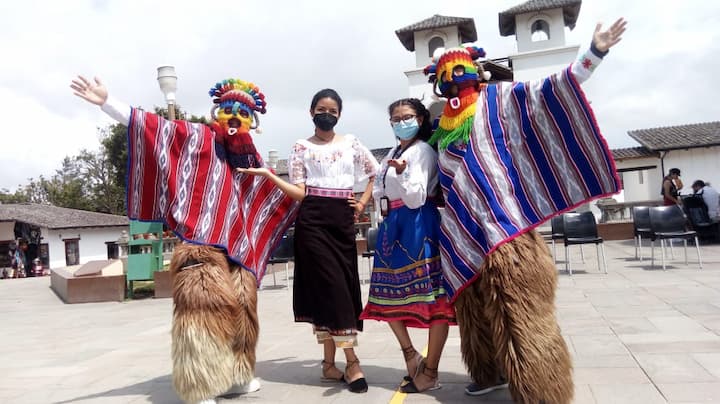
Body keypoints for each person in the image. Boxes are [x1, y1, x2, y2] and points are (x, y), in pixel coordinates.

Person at [423, 19, 626, 404]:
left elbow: (550, 92)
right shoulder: (441, 127)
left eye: (461, 70)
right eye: (447, 75)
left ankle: (542, 393)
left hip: (506, 231)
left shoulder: (499, 100)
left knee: (520, 314)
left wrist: (594, 53)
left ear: (476, 70)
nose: (455, 80)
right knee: (473, 312)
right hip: (463, 231)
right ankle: (487, 372)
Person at [71, 75, 298, 404]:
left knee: (244, 310)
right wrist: (108, 102)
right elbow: (152, 127)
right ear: (214, 113)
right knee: (200, 307)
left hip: (238, 249)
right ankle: (200, 384)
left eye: (243, 112)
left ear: (253, 122)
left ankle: (238, 374)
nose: (235, 116)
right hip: (200, 239)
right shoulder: (197, 136)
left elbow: (268, 202)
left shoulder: (252, 160)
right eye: (228, 108)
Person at [239, 89, 379, 393]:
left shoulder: (351, 143)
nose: (325, 113)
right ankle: (352, 363)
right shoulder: (301, 147)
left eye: (331, 109)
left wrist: (363, 202)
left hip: (342, 220)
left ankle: (329, 365)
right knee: (332, 288)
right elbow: (300, 191)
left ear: (339, 114)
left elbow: (373, 173)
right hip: (312, 220)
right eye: (320, 108)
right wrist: (267, 175)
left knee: (339, 288)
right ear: (311, 112)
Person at [358, 98, 455, 393]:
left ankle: (432, 371)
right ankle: (411, 355)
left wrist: (402, 173)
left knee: (433, 299)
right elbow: (380, 194)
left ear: (421, 119)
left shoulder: (422, 151)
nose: (402, 123)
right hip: (392, 227)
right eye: (396, 119)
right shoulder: (392, 152)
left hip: (418, 225)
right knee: (387, 297)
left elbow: (416, 197)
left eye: (408, 117)